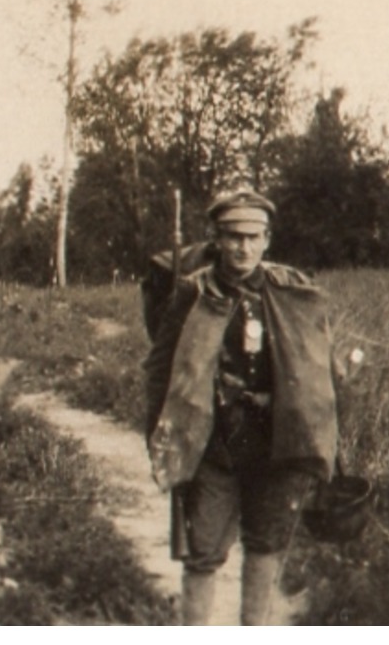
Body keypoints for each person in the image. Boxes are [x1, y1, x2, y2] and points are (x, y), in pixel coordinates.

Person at [142, 189, 338, 625]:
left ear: (267, 239)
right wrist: (159, 434)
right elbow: (160, 369)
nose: (243, 247)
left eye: (253, 237)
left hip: (276, 445)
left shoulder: (292, 291)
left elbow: (321, 369)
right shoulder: (192, 293)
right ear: (216, 239)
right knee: (203, 552)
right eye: (232, 237)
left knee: (266, 546)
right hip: (213, 445)